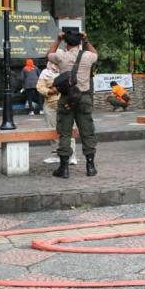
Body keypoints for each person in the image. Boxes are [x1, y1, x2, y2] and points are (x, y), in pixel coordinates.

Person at [47, 30, 98, 178]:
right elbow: (95, 53)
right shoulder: (88, 56)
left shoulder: (61, 55)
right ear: (80, 41)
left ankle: (63, 169)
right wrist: (86, 40)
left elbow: (49, 55)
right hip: (84, 98)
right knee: (87, 132)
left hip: (66, 99)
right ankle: (90, 166)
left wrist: (58, 39)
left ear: (66, 42)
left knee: (65, 133)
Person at [36, 62, 77, 165]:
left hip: (66, 104)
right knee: (53, 131)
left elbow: (75, 85)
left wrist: (59, 89)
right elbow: (39, 87)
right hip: (50, 106)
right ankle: (56, 155)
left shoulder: (67, 69)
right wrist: (50, 92)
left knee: (69, 131)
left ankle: (72, 156)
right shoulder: (45, 72)